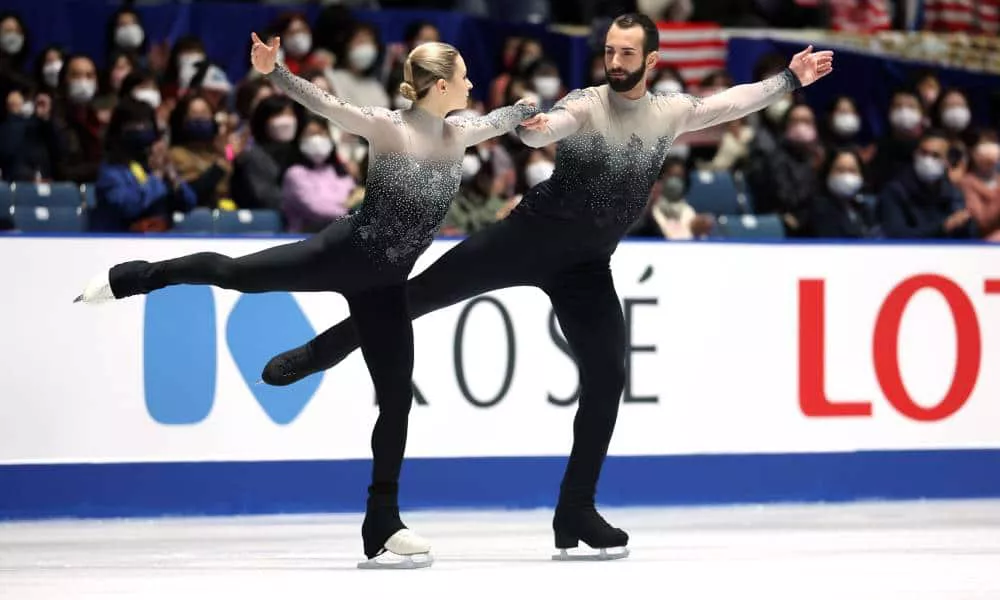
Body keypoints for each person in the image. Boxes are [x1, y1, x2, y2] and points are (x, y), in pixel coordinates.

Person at [261, 13, 833, 560]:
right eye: (609, 50)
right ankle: (322, 349)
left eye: (627, 52)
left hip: (587, 266)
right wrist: (538, 130)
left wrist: (788, 78)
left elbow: (726, 103)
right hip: (526, 238)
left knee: (608, 375)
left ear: (652, 60)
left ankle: (575, 510)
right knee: (415, 297)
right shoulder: (587, 102)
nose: (614, 60)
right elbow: (551, 129)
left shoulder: (670, 112)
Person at [74, 34, 539, 569]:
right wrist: (276, 73)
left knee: (397, 400)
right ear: (440, 86)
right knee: (234, 274)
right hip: (340, 254)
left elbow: (502, 119)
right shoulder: (389, 127)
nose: (471, 84)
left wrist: (530, 110)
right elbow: (326, 104)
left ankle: (382, 522)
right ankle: (135, 277)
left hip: (386, 286)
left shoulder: (459, 133)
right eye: (463, 77)